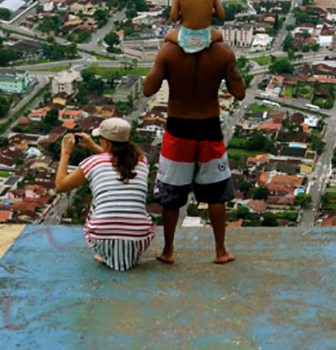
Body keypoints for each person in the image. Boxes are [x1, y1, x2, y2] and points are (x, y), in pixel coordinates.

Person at [142, 33, 247, 264]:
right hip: (209, 127)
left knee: (172, 193)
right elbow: (239, 92)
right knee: (216, 193)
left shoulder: (169, 51)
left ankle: (168, 250)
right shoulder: (223, 53)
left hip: (178, 128)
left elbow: (148, 89)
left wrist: (164, 61)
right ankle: (221, 251)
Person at [54, 117, 154, 271]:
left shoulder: (92, 163)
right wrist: (94, 146)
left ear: (105, 142)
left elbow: (60, 186)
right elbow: (115, 161)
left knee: (96, 202)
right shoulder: (141, 161)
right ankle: (128, 255)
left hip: (102, 237)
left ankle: (106, 255)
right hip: (140, 238)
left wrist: (65, 152)